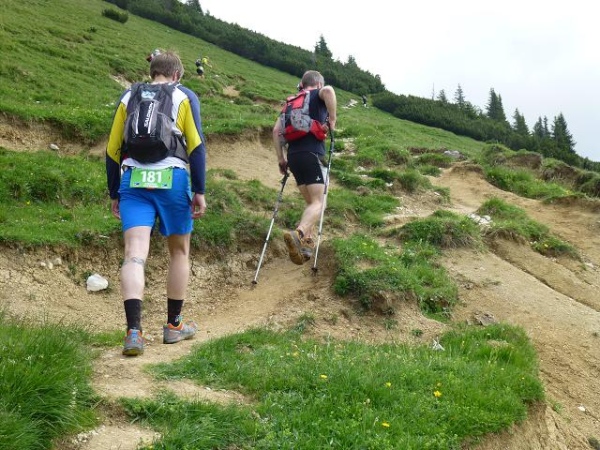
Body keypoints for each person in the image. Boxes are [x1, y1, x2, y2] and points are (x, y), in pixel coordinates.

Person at [106, 50, 207, 356]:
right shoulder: (184, 95)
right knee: (179, 251)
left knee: (134, 254)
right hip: (172, 178)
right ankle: (174, 326)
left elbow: (112, 149)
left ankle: (134, 332)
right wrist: (199, 190)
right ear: (176, 75)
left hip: (133, 180)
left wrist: (114, 192)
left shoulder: (129, 96)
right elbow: (196, 146)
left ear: (153, 72)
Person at [272, 70, 337, 265]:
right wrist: (332, 120)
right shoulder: (318, 93)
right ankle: (299, 234)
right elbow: (329, 91)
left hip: (294, 157)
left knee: (311, 203)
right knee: (319, 203)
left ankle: (306, 244)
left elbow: (276, 131)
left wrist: (281, 159)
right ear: (317, 83)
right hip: (312, 153)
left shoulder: (290, 103)